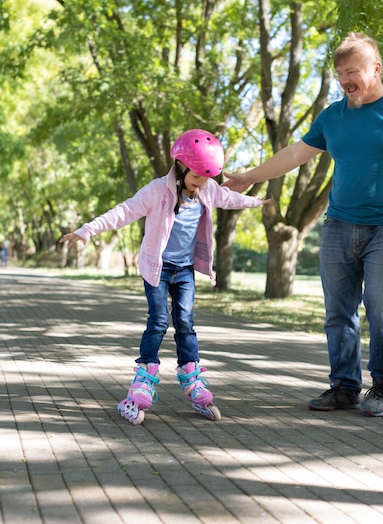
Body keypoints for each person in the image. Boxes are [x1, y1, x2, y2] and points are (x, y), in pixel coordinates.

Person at [224, 32, 383, 417]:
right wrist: (251, 176)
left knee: (382, 306)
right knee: (338, 311)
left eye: (352, 72)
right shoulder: (333, 116)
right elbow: (295, 154)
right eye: (339, 74)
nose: (344, 81)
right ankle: (344, 387)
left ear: (376, 68)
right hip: (338, 225)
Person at [60, 129, 268, 425]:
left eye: (207, 177)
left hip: (184, 269)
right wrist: (86, 230)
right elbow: (124, 211)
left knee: (185, 320)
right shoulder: (157, 191)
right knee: (158, 320)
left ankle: (192, 378)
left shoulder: (207, 190)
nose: (202, 183)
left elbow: (231, 198)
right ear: (181, 167)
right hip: (157, 267)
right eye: (197, 176)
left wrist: (256, 202)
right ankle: (144, 379)